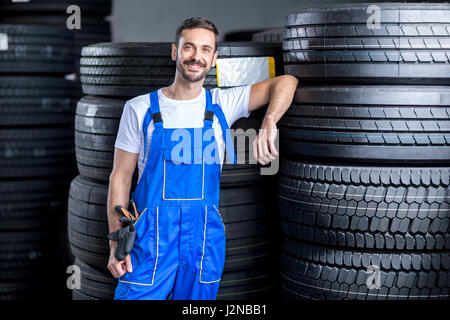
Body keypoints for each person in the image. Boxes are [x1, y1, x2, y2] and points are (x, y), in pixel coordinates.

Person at [107, 16, 298, 300]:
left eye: (206, 49)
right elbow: (120, 177)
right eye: (189, 48)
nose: (197, 57)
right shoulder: (140, 108)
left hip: (203, 241)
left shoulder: (223, 104)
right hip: (151, 240)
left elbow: (286, 81)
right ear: (175, 51)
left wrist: (269, 121)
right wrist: (116, 243)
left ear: (214, 57)